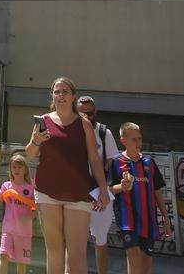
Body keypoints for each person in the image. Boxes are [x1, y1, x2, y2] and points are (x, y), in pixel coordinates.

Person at [25, 77, 111, 274]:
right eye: (57, 91)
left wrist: (103, 189)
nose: (61, 95)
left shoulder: (84, 124)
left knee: (76, 256)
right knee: (54, 252)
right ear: (52, 96)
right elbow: (30, 154)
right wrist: (36, 141)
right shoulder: (43, 121)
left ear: (73, 96)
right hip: (47, 192)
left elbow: (94, 159)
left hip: (79, 194)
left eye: (65, 91)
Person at [111, 122, 173, 274]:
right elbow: (108, 189)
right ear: (123, 140)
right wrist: (122, 186)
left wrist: (166, 217)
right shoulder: (116, 162)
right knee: (133, 257)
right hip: (127, 222)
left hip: (148, 221)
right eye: (134, 139)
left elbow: (157, 191)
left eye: (140, 138)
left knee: (145, 265)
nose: (138, 142)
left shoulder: (149, 163)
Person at [77, 96, 120, 274]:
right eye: (83, 114)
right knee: (73, 239)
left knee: (100, 239)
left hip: (98, 192)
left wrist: (105, 192)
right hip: (76, 193)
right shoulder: (71, 132)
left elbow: (113, 166)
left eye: (90, 113)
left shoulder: (103, 133)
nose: (87, 117)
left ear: (96, 112)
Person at [0, 153, 37, 274]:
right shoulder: (7, 186)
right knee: (3, 256)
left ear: (25, 169)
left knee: (21, 262)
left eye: (19, 167)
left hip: (23, 232)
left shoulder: (31, 187)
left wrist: (29, 217)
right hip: (8, 229)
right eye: (14, 167)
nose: (16, 170)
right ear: (10, 170)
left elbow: (37, 209)